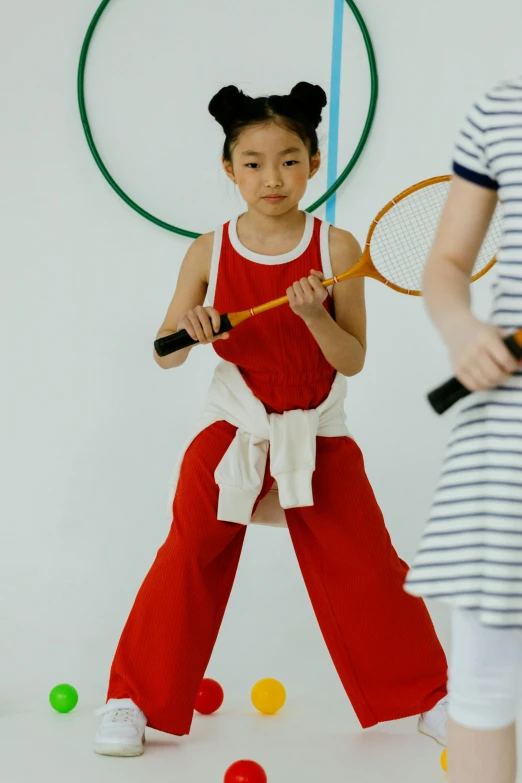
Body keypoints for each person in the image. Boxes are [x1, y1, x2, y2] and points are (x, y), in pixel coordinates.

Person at [94, 82, 448, 757]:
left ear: (315, 162)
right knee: (186, 558)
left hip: (318, 432)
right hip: (233, 431)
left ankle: (432, 695)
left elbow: (354, 358)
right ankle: (131, 700)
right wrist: (193, 331)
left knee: (370, 564)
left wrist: (316, 313)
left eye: (289, 158)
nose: (271, 176)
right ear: (229, 170)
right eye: (252, 162)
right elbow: (163, 352)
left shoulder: (339, 249)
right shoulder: (208, 251)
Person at [405, 75, 522, 783]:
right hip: (505, 436)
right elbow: (445, 264)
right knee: (481, 684)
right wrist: (460, 327)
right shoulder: (501, 109)